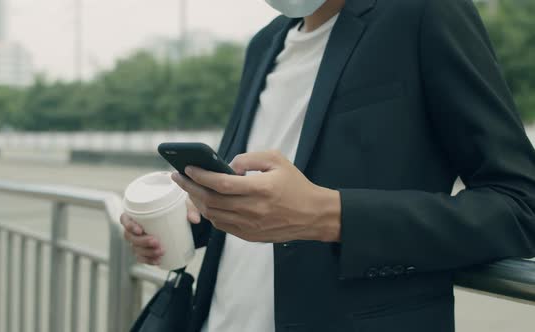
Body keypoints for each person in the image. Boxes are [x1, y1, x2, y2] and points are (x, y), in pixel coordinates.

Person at [121, 0, 535, 331]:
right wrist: (190, 220)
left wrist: (331, 215)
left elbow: (520, 206)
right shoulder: (264, 44)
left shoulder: (424, 12)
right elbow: (259, 199)